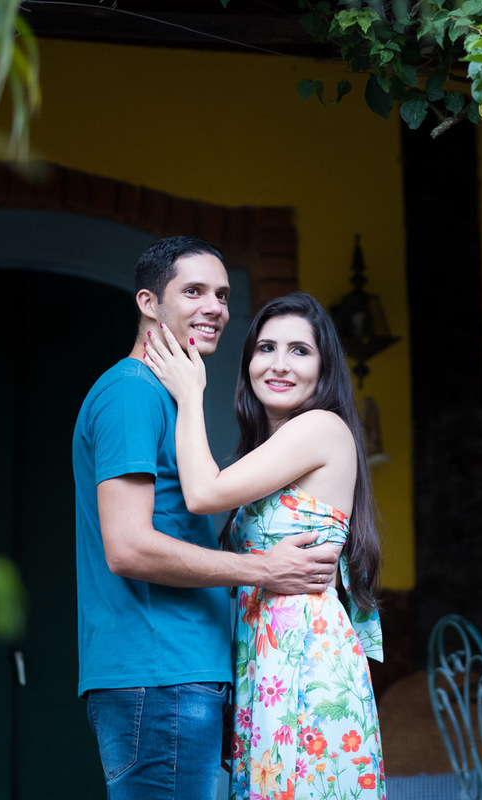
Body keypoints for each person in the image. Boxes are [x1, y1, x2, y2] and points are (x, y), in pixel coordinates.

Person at [73, 237, 340, 800]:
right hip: (158, 672)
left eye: (221, 294)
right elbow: (128, 546)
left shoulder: (166, 397)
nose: (214, 307)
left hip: (181, 671)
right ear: (148, 302)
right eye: (193, 291)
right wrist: (263, 569)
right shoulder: (132, 393)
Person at [143, 291, 384, 800]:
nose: (278, 364)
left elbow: (202, 493)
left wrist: (190, 394)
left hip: (305, 656)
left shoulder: (320, 427)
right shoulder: (270, 448)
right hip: (266, 655)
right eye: (266, 348)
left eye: (300, 350)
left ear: (324, 368)